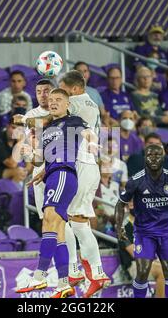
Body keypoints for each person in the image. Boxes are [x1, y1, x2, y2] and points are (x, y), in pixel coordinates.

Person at [17, 88, 95, 298]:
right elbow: (40, 160)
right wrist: (29, 154)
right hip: (52, 175)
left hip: (63, 173)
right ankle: (63, 284)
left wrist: (93, 141)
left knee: (49, 220)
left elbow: (89, 133)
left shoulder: (74, 121)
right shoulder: (47, 129)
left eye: (58, 99)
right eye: (50, 100)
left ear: (67, 104)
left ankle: (39, 276)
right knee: (57, 229)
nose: (53, 102)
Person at [56, 71, 111, 297]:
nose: (60, 96)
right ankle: (96, 273)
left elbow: (53, 114)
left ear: (76, 89)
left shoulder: (77, 103)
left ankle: (74, 269)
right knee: (79, 223)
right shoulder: (91, 104)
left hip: (79, 165)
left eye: (63, 91)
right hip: (90, 167)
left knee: (59, 218)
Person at [115, 143, 168, 298]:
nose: (154, 158)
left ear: (163, 157)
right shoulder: (136, 181)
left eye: (158, 155)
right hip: (144, 233)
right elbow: (120, 204)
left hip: (167, 232)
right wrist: (119, 226)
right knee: (142, 271)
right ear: (144, 158)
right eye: (150, 155)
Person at [120, 207, 168, 298]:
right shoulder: (124, 226)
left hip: (157, 261)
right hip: (135, 264)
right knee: (162, 270)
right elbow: (134, 253)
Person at [91, 160, 119, 234]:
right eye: (104, 166)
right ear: (99, 169)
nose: (108, 168)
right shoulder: (96, 185)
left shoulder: (116, 185)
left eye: (109, 166)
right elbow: (98, 206)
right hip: (106, 218)